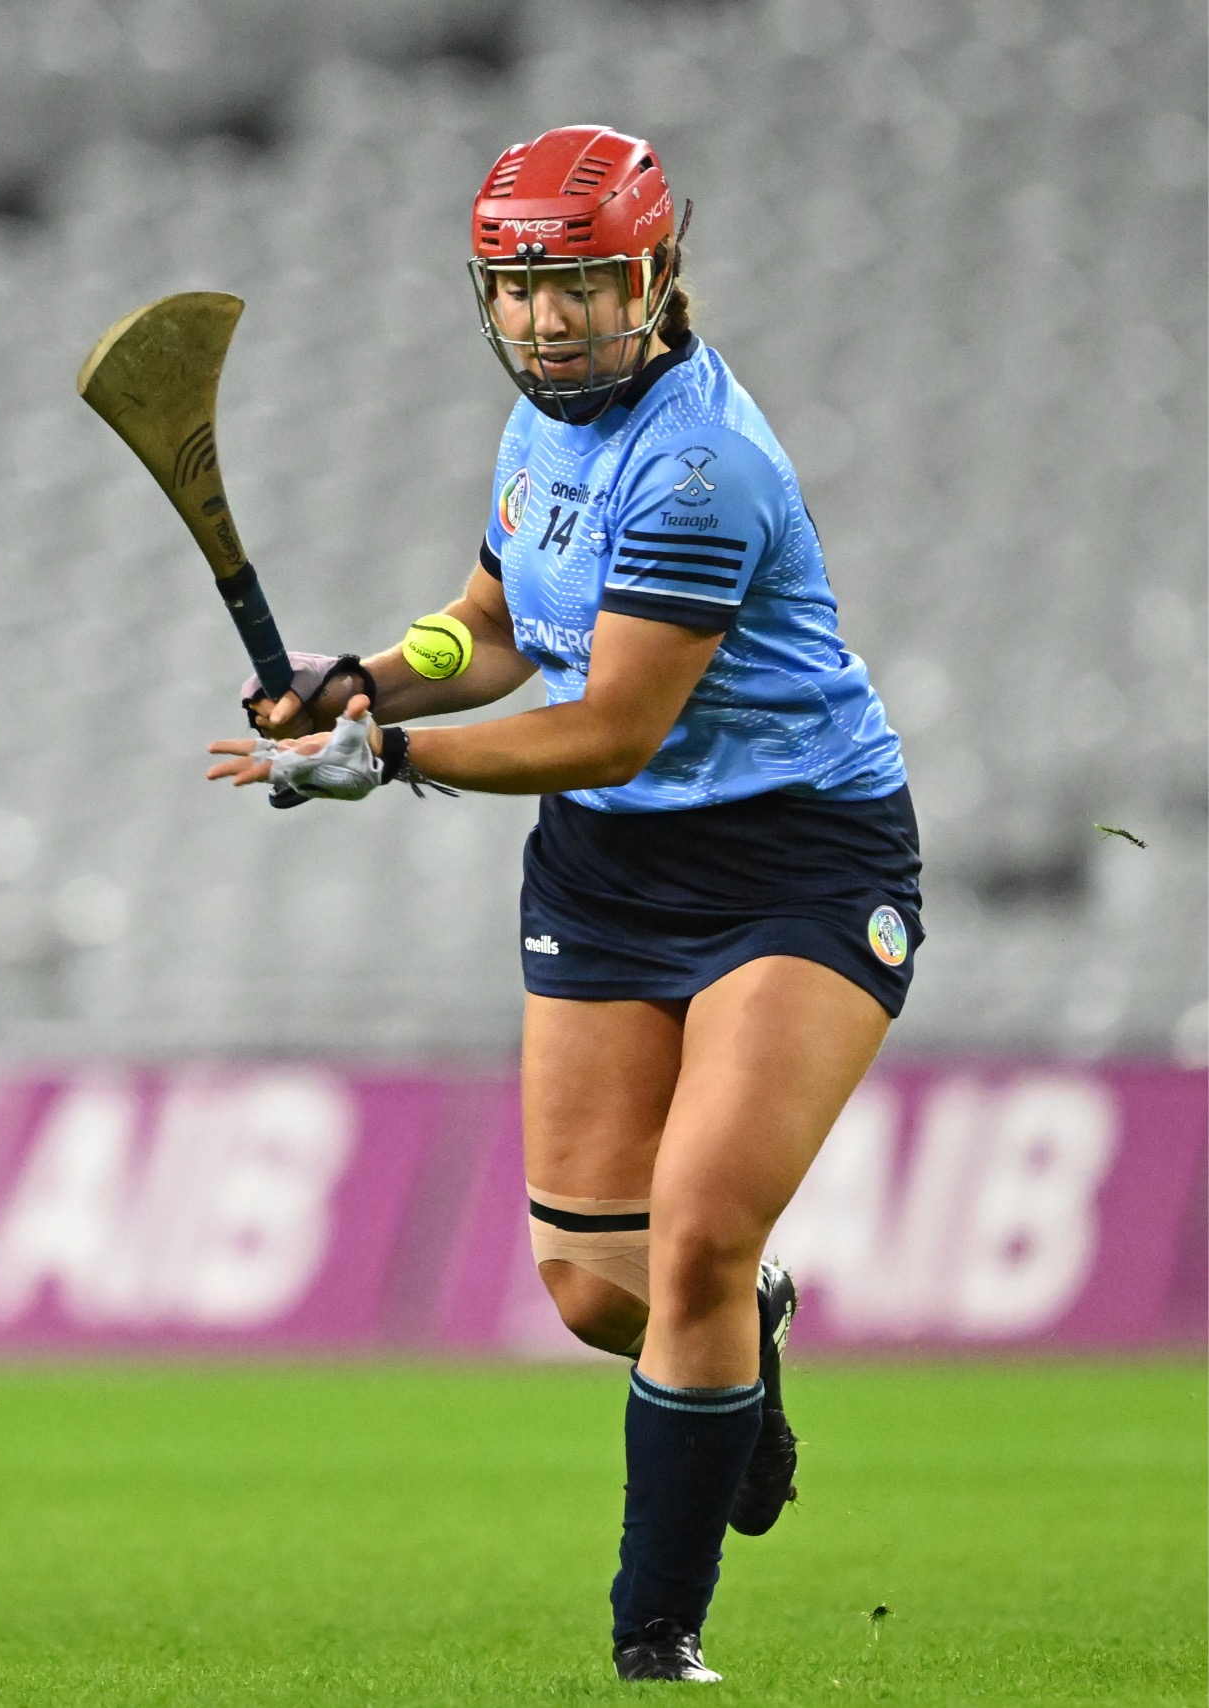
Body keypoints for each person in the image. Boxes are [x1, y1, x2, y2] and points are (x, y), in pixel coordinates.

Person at [208, 125, 923, 1685]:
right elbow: (491, 627)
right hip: (608, 873)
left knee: (700, 1234)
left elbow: (610, 728)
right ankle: (747, 1322)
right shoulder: (538, 429)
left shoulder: (699, 465)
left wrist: (389, 758)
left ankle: (655, 1641)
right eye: (519, 292)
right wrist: (363, 679)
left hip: (797, 861)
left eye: (580, 287)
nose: (545, 322)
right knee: (599, 1291)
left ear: (654, 279)